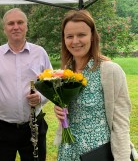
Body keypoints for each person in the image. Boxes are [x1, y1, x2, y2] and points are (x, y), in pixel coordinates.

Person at [54, 10, 132, 160]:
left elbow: (121, 124)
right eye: (69, 36)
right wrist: (59, 109)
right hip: (67, 152)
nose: (75, 41)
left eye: (81, 35)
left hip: (97, 154)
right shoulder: (65, 72)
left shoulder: (110, 71)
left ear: (92, 37)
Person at [0, 8, 52, 161]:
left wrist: (40, 98)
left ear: (26, 26)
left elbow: (50, 85)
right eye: (10, 23)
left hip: (34, 127)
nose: (15, 27)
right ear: (4, 29)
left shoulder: (40, 52)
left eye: (20, 22)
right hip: (2, 128)